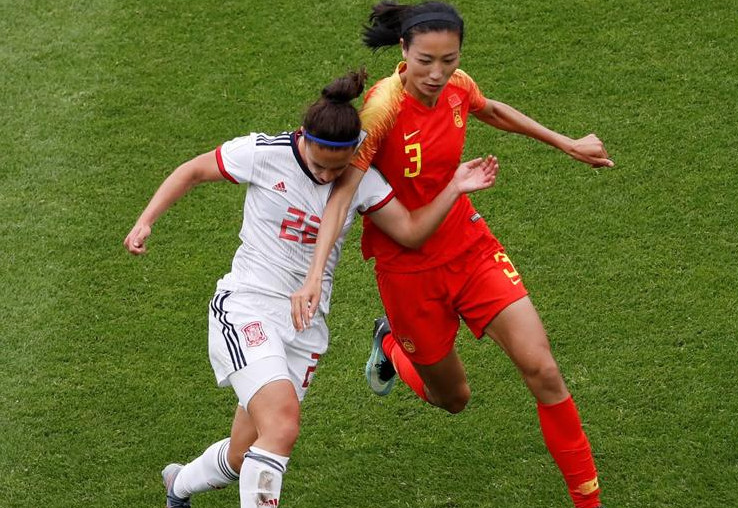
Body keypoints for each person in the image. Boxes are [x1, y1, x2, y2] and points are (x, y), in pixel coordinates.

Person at [123, 69, 499, 508]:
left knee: (248, 453)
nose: (324, 176)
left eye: (335, 169)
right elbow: (191, 171)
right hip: (248, 308)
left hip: (303, 329)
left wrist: (455, 186)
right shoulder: (263, 153)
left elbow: (411, 232)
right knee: (282, 427)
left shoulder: (361, 179)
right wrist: (146, 220)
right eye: (318, 164)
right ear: (302, 137)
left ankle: (178, 485)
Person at [289, 1, 613, 508]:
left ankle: (589, 503)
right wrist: (312, 278)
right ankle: (391, 345)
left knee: (543, 369)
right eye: (426, 62)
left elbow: (492, 109)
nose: (438, 74)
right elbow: (341, 196)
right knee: (453, 399)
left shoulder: (457, 86)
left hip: (468, 247)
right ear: (403, 51)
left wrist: (565, 142)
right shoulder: (380, 110)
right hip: (408, 271)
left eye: (449, 60)